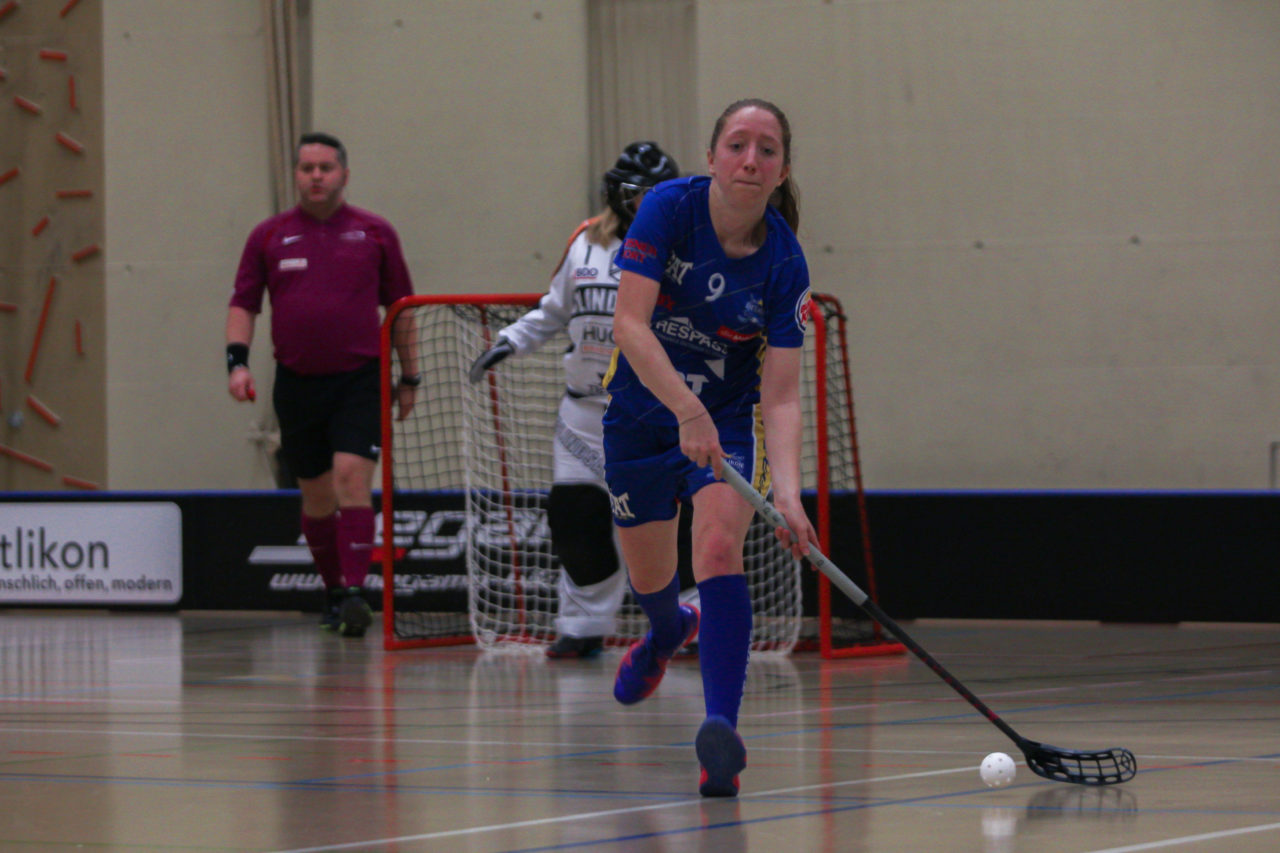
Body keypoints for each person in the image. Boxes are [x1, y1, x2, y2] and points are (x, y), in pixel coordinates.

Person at [603, 99, 818, 798]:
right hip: (641, 414)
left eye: (766, 149)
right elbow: (629, 325)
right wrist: (682, 408)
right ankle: (668, 632)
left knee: (719, 549)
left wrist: (787, 492)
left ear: (783, 168)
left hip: (725, 422)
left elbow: (781, 395)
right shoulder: (667, 208)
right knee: (653, 582)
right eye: (737, 145)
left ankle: (719, 734)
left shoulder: (785, 264)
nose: (750, 160)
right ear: (712, 157)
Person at [468, 141, 697, 659]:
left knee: (671, 520)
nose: (647, 201)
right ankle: (584, 623)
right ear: (617, 192)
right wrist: (509, 342)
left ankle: (692, 621)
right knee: (574, 517)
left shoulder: (680, 246)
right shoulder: (584, 242)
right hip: (584, 410)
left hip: (652, 410)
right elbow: (553, 310)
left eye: (657, 192)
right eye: (639, 192)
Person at [226, 131, 418, 638]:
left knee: (352, 479)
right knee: (315, 498)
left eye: (325, 168)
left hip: (360, 380)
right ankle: (334, 590)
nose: (316, 176)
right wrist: (237, 364)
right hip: (297, 384)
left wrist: (409, 376)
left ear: (344, 175)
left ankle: (357, 592)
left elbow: (401, 310)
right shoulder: (268, 236)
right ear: (296, 174)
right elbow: (244, 303)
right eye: (307, 167)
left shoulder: (375, 233)